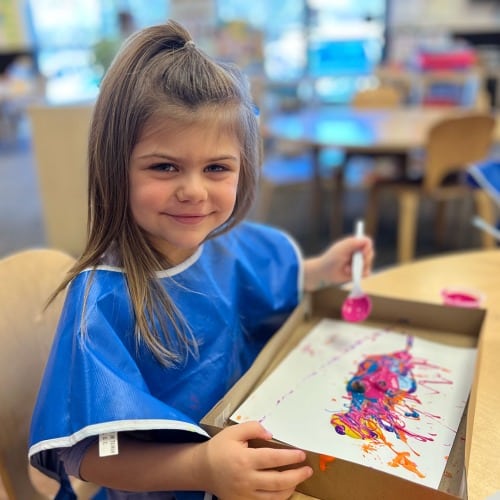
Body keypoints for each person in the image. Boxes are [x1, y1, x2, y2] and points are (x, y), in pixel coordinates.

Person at [29, 19, 374, 500]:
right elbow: (89, 456)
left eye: (217, 168)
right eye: (164, 166)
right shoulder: (101, 297)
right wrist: (202, 467)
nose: (194, 191)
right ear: (115, 166)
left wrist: (323, 270)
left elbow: (273, 281)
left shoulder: (225, 244)